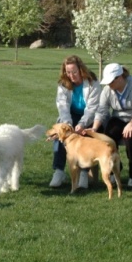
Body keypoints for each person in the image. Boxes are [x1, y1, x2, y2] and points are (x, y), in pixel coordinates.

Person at [92, 63, 132, 188]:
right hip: (118, 118)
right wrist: (94, 128)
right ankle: (115, 169)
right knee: (108, 137)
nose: (109, 85)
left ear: (119, 77)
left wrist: (131, 123)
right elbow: (102, 110)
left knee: (130, 137)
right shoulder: (107, 90)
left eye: (111, 81)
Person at [50, 55, 102, 189]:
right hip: (70, 114)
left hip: (89, 116)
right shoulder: (63, 84)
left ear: (81, 69)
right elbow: (62, 106)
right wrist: (67, 124)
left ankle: (84, 172)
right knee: (60, 134)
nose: (71, 75)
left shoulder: (93, 82)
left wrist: (82, 124)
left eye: (74, 72)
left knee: (85, 134)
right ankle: (59, 171)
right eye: (68, 72)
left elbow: (92, 108)